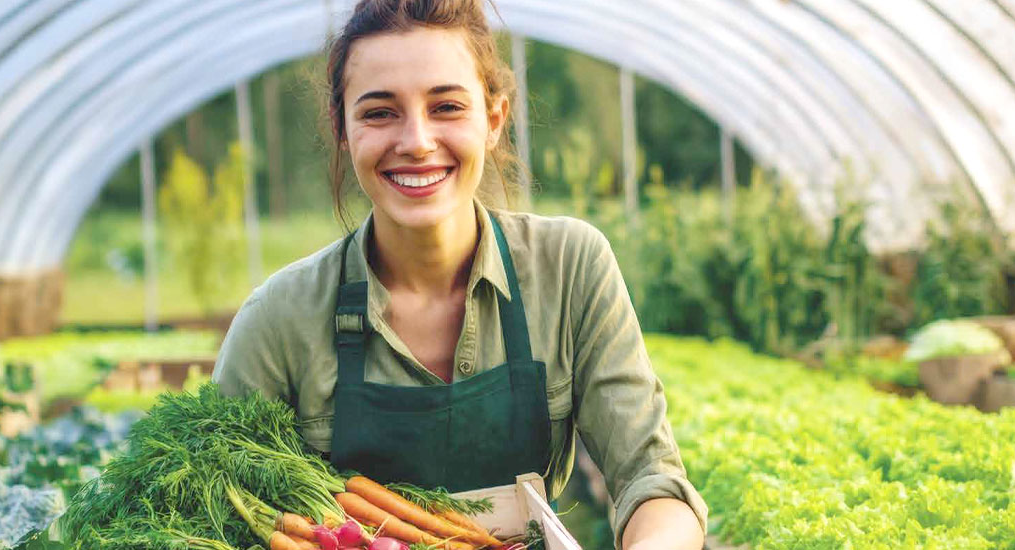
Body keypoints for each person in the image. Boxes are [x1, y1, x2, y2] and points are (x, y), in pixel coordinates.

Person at [213, 1, 706, 548]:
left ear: (494, 119)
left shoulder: (569, 267)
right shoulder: (280, 319)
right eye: (379, 112)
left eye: (446, 106)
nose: (417, 142)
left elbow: (652, 483)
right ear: (342, 129)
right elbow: (205, 519)